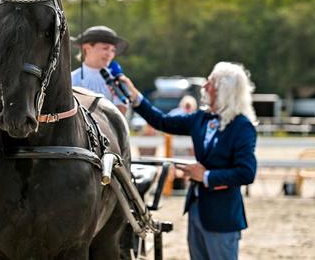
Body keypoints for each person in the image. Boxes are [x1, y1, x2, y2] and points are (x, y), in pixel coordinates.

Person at [120, 61, 257, 260]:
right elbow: (162, 121)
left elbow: (246, 172)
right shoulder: (202, 118)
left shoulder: (242, 127)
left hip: (222, 216)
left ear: (223, 90)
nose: (204, 86)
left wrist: (206, 176)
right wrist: (136, 97)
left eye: (209, 83)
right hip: (196, 211)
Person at [71, 25, 129, 114]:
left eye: (113, 50)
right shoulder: (71, 79)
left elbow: (122, 112)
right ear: (87, 48)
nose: (110, 54)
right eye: (105, 48)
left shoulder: (116, 79)